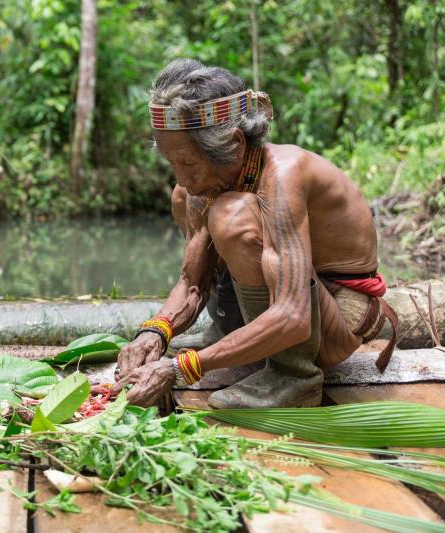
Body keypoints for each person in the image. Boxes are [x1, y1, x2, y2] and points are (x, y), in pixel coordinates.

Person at [112, 59, 397, 409]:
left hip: (333, 318)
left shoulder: (283, 176)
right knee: (188, 198)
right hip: (286, 309)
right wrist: (153, 332)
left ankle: (293, 377)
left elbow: (293, 316)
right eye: (172, 163)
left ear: (232, 142)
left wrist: (180, 368)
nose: (182, 176)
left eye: (188, 163)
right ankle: (230, 335)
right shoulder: (197, 189)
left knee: (231, 218)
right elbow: (191, 284)